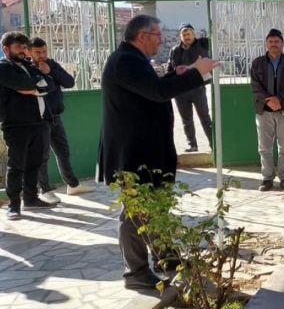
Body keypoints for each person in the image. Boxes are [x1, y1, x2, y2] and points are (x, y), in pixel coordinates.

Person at [97, 15, 218, 289]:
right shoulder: (125, 61)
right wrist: (196, 73)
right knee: (136, 213)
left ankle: (168, 259)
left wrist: (175, 75)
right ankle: (135, 273)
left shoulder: (133, 59)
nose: (162, 40)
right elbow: (157, 92)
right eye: (158, 35)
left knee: (154, 208)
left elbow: (148, 89)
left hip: (144, 151)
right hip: (133, 155)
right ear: (142, 36)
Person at [29, 37, 94, 204]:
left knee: (63, 152)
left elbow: (69, 82)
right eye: (38, 52)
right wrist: (43, 74)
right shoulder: (27, 68)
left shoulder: (51, 64)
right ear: (29, 52)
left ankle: (73, 185)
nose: (42, 55)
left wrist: (50, 71)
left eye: (44, 51)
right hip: (39, 119)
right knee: (42, 156)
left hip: (56, 116)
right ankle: (45, 190)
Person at [0, 31, 57, 220]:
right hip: (16, 125)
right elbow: (24, 86)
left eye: (25, 47)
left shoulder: (28, 66)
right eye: (18, 47)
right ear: (6, 49)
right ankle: (14, 206)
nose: (23, 51)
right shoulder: (3, 68)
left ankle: (31, 198)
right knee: (16, 166)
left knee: (34, 163)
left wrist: (35, 87)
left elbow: (50, 84)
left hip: (37, 122)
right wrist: (35, 85)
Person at [250, 28, 284, 191]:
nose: (274, 44)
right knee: (264, 147)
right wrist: (269, 100)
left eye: (277, 41)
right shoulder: (257, 63)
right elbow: (255, 86)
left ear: (282, 44)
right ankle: (267, 178)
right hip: (264, 110)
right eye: (271, 42)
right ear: (266, 44)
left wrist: (280, 99)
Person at [168, 23, 213, 152]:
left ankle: (213, 144)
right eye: (184, 35)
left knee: (205, 118)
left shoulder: (202, 44)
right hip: (181, 91)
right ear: (180, 36)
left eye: (188, 34)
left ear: (194, 34)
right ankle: (192, 145)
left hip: (198, 89)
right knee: (186, 120)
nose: (186, 37)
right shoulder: (175, 50)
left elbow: (213, 36)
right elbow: (170, 68)